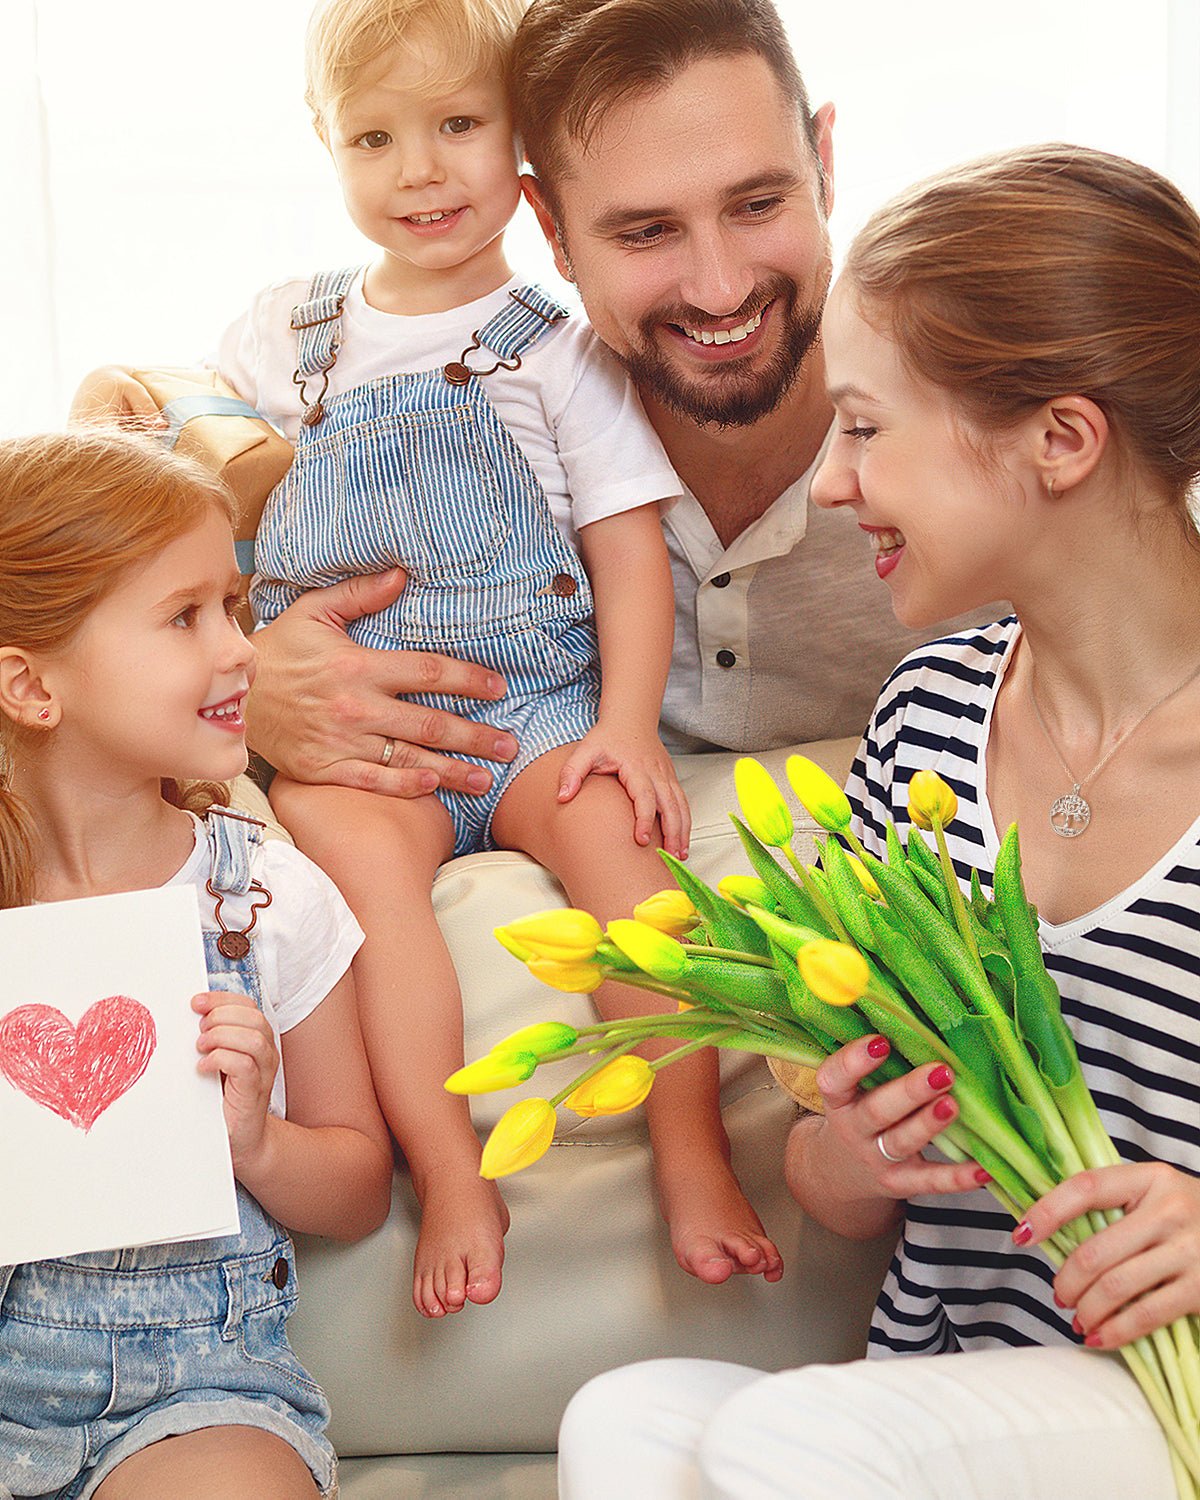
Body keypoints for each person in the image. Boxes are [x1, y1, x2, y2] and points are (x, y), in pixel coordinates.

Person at [73, 0, 790, 1317]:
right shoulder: (286, 332)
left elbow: (628, 554)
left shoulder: (559, 346)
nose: (421, 170)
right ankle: (452, 1172)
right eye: (376, 137)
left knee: (634, 870)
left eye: (458, 126)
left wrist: (625, 728)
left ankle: (693, 1151)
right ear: (323, 144)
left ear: (519, 145)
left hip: (534, 705)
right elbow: (204, 483)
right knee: (363, 909)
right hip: (350, 733)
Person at [553, 144, 1200, 1498]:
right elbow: (831, 1190)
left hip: (1162, 1402)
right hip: (947, 1396)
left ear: (1061, 442)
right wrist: (856, 1151)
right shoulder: (927, 717)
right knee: (628, 1419)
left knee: (798, 1440)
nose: (835, 486)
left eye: (866, 425)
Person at [0, 430, 393, 1500]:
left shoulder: (268, 899)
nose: (241, 650)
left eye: (236, 605)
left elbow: (359, 1188)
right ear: (32, 688)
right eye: (185, 618)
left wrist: (258, 1137)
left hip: (198, 1400)